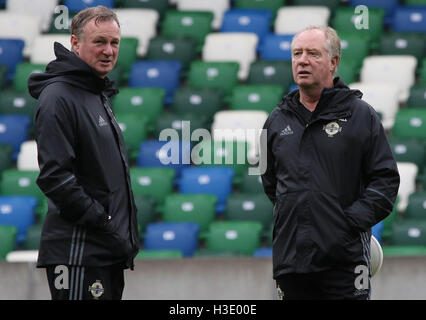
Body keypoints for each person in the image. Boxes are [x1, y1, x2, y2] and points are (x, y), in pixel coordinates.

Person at [260, 26, 400, 300]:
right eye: (296, 53)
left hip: (345, 264)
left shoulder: (361, 116)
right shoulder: (275, 122)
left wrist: (346, 224)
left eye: (313, 53)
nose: (302, 60)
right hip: (292, 264)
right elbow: (270, 184)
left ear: (333, 62)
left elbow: (385, 181)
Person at [28, 6, 140, 300]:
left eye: (114, 43)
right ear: (75, 44)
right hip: (79, 252)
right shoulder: (59, 97)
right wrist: (103, 222)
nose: (108, 50)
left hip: (104, 252)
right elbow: (56, 178)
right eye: (99, 41)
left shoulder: (95, 93)